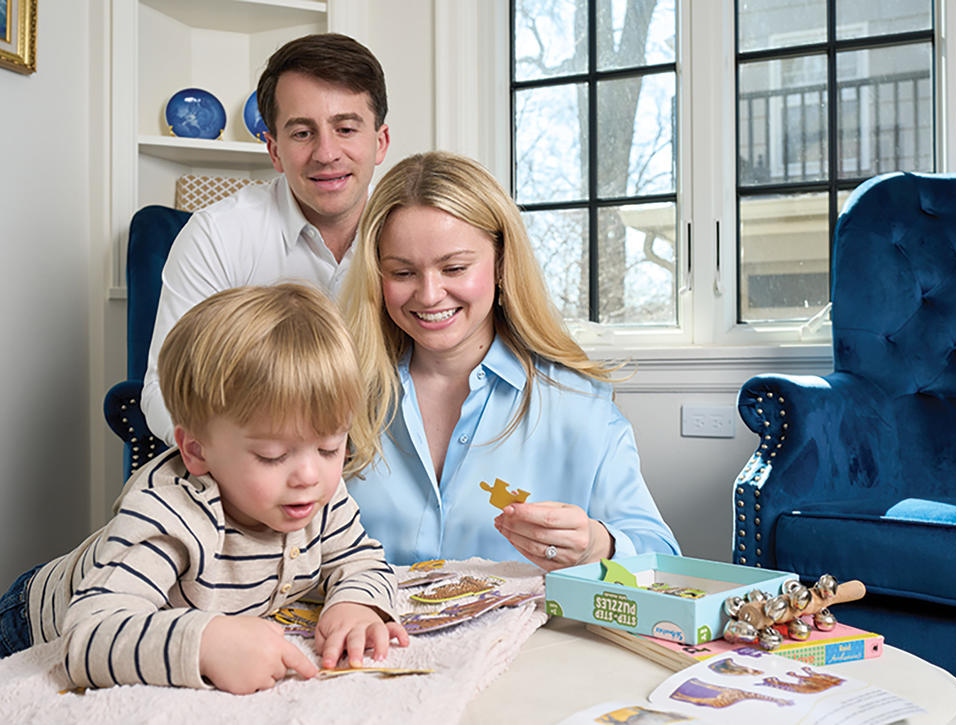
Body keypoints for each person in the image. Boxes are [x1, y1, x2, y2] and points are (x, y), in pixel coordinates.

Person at [0, 283, 407, 693]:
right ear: (196, 451)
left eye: (330, 446)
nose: (309, 475)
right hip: (28, 625)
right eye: (270, 456)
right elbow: (87, 637)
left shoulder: (318, 495)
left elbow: (360, 560)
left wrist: (357, 603)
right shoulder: (170, 514)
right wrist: (205, 642)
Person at [342, 151, 680, 571]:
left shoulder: (577, 401)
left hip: (531, 638)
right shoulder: (339, 395)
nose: (429, 295)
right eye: (403, 273)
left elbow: (663, 558)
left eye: (455, 267)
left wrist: (599, 546)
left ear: (501, 263)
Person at [141, 32, 391, 444]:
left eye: (345, 128)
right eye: (302, 133)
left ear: (379, 142)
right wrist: (250, 464)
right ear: (273, 150)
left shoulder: (415, 236)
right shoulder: (217, 235)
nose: (326, 153)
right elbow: (165, 392)